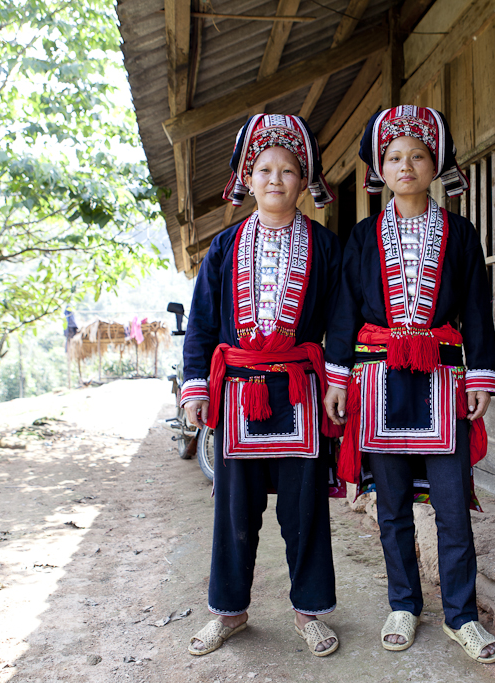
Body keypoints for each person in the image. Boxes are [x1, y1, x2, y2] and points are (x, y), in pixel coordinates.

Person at [323, 105, 495, 664]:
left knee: (451, 506)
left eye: (418, 156)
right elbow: (345, 311)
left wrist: (480, 375)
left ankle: (461, 615)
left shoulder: (461, 233)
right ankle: (403, 603)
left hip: (442, 380)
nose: (406, 165)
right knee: (393, 503)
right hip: (377, 383)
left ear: (435, 165)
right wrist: (337, 379)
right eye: (395, 157)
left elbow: (476, 308)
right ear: (381, 169)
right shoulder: (361, 237)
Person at [181, 113, 342, 658]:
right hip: (237, 395)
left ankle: (310, 612)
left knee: (304, 511)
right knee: (235, 510)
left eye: (289, 170)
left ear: (304, 181)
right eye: (265, 169)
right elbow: (202, 324)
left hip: (299, 391)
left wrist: (337, 381)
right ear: (247, 178)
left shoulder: (325, 248)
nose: (276, 179)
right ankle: (229, 612)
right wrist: (197, 389)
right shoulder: (224, 249)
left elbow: (340, 321)